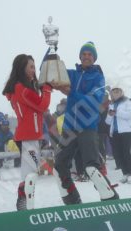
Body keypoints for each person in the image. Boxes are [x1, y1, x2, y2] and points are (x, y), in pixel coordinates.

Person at [52, 41, 119, 204]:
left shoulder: (98, 77)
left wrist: (71, 92)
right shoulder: (72, 74)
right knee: (59, 166)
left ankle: (110, 197)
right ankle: (72, 199)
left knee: (91, 167)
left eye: (90, 54)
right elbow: (48, 73)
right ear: (80, 56)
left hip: (87, 127)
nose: (86, 56)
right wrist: (51, 52)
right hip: (69, 128)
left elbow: (93, 103)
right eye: (84, 54)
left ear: (94, 58)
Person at [3, 54, 52, 210]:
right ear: (22, 68)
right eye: (31, 66)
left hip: (29, 135)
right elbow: (42, 106)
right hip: (28, 136)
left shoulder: (20, 87)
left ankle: (25, 202)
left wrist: (38, 85)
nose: (33, 70)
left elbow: (34, 108)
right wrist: (47, 90)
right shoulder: (21, 89)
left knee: (30, 172)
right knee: (30, 174)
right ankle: (24, 202)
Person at [106, 88, 131, 183]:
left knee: (126, 152)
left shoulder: (127, 102)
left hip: (126, 131)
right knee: (118, 154)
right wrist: (109, 115)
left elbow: (129, 115)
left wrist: (116, 113)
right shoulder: (111, 104)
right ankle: (126, 173)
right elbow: (108, 122)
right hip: (115, 132)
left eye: (117, 92)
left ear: (121, 92)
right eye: (113, 92)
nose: (115, 94)